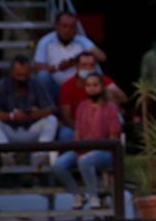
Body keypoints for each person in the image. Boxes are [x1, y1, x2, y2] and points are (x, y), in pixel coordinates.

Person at [51, 73, 121, 210]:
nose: (92, 88)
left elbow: (113, 136)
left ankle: (93, 197)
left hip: (105, 151)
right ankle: (78, 195)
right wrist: (78, 149)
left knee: (85, 160)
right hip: (83, 148)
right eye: (88, 85)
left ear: (101, 86)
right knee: (58, 165)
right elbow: (77, 133)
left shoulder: (110, 107)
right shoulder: (82, 106)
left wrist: (89, 152)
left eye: (95, 85)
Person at [0, 55, 59, 166]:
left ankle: (39, 157)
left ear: (29, 73)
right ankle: (8, 156)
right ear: (11, 73)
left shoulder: (36, 84)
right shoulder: (2, 84)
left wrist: (34, 114)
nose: (22, 78)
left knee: (52, 120)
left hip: (31, 129)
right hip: (10, 130)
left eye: (25, 75)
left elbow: (51, 108)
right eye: (19, 75)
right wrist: (11, 116)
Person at [33, 11, 105, 100]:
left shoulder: (81, 40)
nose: (68, 30)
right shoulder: (46, 41)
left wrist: (74, 60)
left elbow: (102, 57)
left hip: (77, 85)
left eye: (72, 27)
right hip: (54, 86)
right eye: (64, 26)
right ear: (56, 26)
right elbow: (37, 66)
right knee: (43, 76)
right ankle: (49, 108)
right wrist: (58, 67)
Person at [58, 52, 127, 139]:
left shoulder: (102, 81)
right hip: (77, 127)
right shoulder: (67, 86)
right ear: (76, 66)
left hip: (102, 127)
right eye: (84, 65)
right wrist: (86, 131)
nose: (88, 68)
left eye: (91, 65)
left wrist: (109, 90)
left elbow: (124, 99)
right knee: (65, 134)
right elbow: (66, 118)